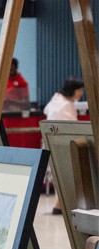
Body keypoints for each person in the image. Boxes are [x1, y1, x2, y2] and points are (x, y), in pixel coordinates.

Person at [45, 77, 85, 215]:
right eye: (80, 90)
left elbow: (46, 111)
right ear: (72, 90)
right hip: (62, 143)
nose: (81, 93)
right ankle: (62, 205)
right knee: (67, 174)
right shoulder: (65, 105)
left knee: (61, 175)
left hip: (52, 142)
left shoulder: (57, 98)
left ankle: (59, 205)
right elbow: (71, 128)